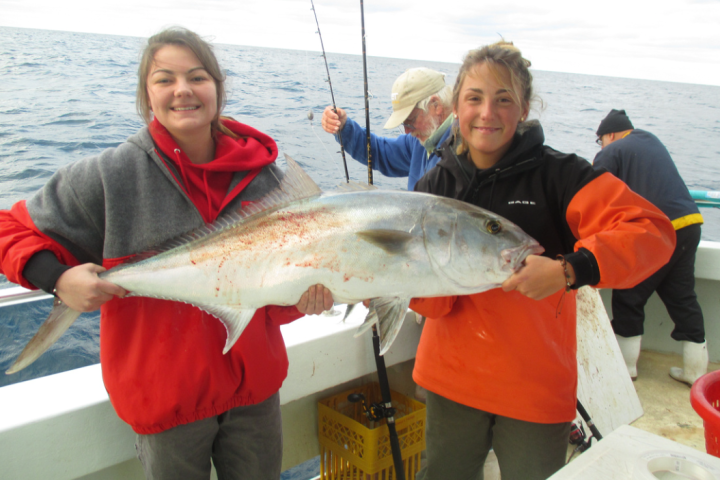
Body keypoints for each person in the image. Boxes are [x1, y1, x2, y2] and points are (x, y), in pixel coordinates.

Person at [0, 27, 332, 479]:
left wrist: (303, 299)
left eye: (197, 77)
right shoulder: (113, 175)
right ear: (146, 94)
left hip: (254, 394)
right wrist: (57, 279)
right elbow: (9, 227)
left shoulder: (268, 180)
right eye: (164, 79)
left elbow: (268, 292)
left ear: (218, 88)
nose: (183, 90)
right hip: (167, 404)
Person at [407, 42, 676, 480]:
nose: (487, 113)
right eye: (474, 98)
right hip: (450, 382)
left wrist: (570, 270)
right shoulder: (434, 184)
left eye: (504, 99)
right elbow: (425, 293)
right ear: (456, 105)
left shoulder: (559, 176)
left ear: (525, 107)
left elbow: (652, 231)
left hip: (532, 389)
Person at [593, 109, 707, 385]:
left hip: (655, 229)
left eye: (600, 141)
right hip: (689, 224)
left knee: (629, 293)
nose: (601, 146)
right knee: (681, 297)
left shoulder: (613, 150)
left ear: (609, 134)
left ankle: (626, 367)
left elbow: (593, 190)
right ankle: (695, 372)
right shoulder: (651, 140)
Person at [321, 67, 453, 190]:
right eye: (404, 123)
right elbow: (380, 152)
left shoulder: (462, 150)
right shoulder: (420, 141)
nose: (407, 131)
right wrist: (344, 128)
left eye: (410, 120)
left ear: (436, 105)